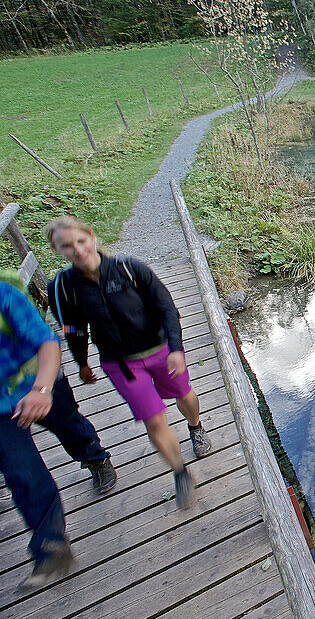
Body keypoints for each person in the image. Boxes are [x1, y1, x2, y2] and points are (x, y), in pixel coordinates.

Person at [45, 216, 212, 510]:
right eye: (67, 247)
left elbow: (167, 309)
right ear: (59, 251)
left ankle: (195, 426)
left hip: (161, 350)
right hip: (120, 363)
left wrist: (176, 349)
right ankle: (180, 472)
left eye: (81, 241)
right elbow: (73, 329)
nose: (78, 250)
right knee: (153, 418)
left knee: (184, 395)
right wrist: (82, 363)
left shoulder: (129, 269)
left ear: (92, 237)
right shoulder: (64, 287)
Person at [1, 275, 115, 588]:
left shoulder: (4, 296)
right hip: (2, 407)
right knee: (20, 470)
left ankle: (96, 457)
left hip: (41, 380)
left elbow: (48, 343)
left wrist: (42, 389)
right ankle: (51, 546)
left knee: (68, 425)